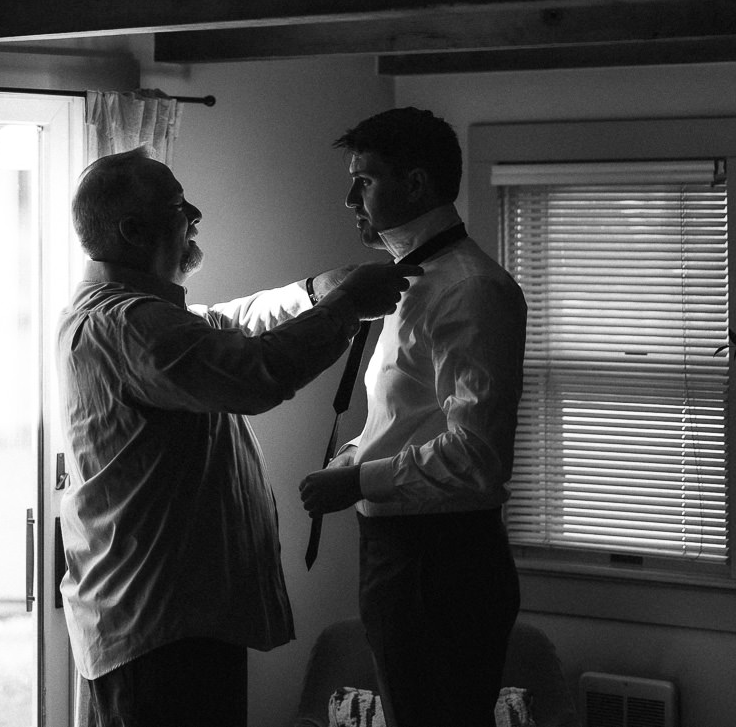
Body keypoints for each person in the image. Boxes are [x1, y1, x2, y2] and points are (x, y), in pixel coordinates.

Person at [58, 147, 417, 727]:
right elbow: (254, 375)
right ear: (132, 229)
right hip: (161, 631)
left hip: (168, 620)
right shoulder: (130, 325)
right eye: (179, 205)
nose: (194, 213)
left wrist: (313, 291)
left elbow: (225, 325)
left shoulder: (134, 315)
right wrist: (346, 307)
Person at [297, 107, 528, 727]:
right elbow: (406, 417)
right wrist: (351, 456)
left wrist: (356, 482)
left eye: (365, 181)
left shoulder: (470, 290)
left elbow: (476, 455)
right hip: (401, 554)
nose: (350, 198)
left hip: (442, 566)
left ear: (418, 184)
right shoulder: (409, 283)